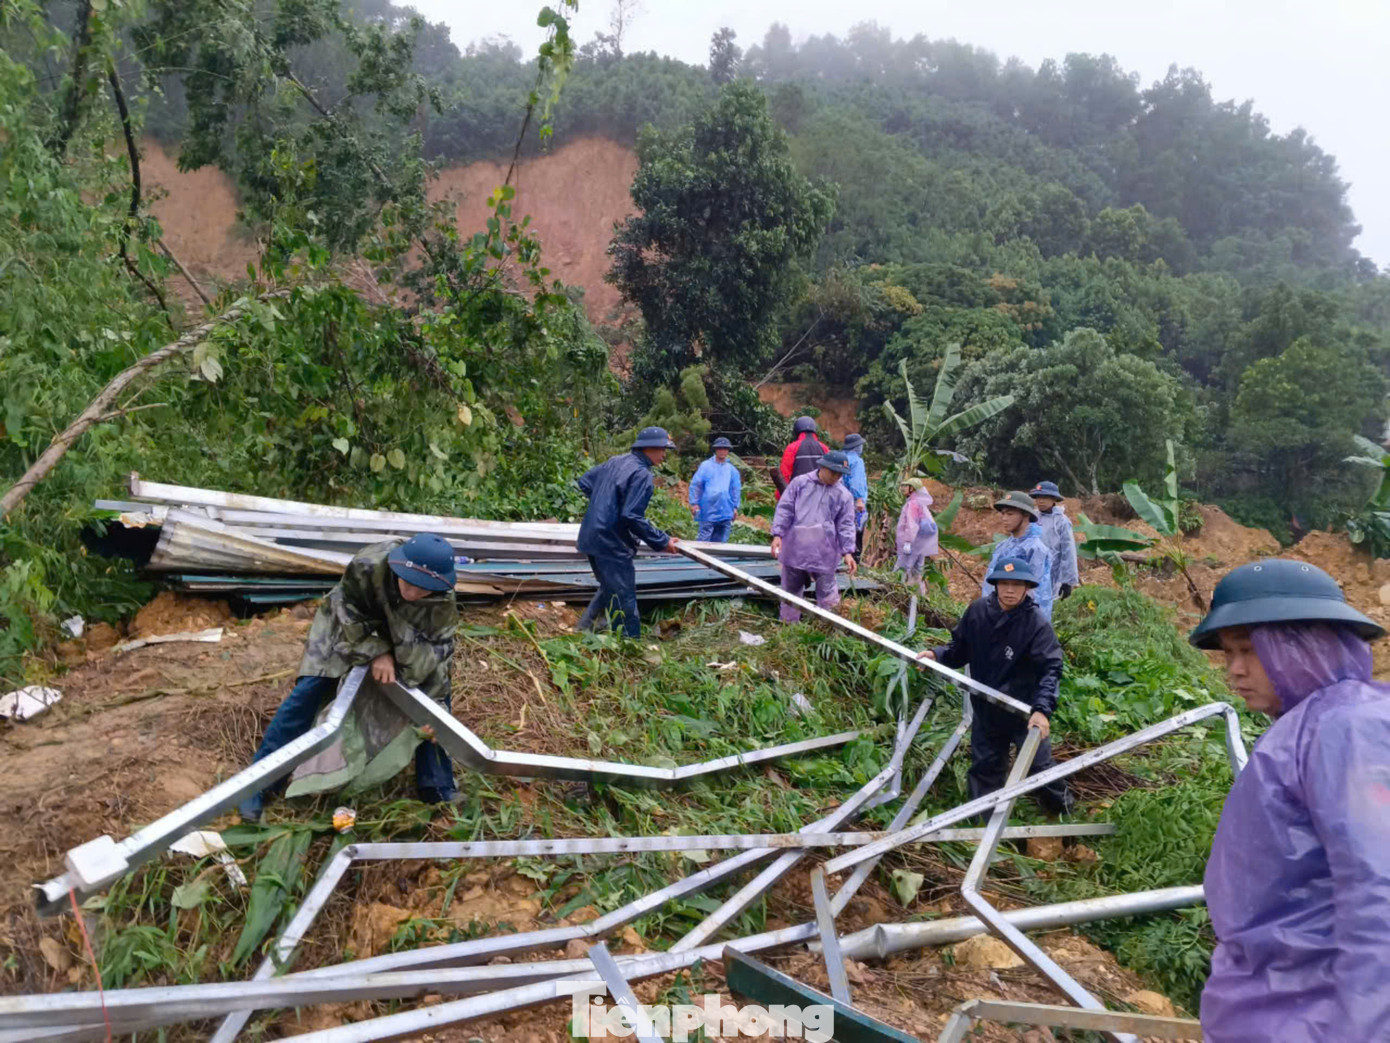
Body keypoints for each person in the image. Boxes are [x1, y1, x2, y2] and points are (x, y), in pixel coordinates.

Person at [1189, 560, 1390, 1042]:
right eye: (1228, 654)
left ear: (1302, 645)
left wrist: (1365, 1027)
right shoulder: (1308, 723)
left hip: (1317, 1013)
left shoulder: (1345, 727)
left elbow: (1377, 886)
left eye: (1250, 651)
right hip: (1281, 1005)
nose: (1234, 669)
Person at [237, 533, 459, 821]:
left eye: (424, 590)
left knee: (435, 707)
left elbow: (436, 655)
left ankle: (437, 786)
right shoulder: (369, 564)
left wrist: (432, 706)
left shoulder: (442, 602)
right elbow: (346, 611)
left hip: (405, 640)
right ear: (398, 567)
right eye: (409, 583)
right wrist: (375, 651)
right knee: (310, 691)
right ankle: (259, 783)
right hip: (349, 629)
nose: (414, 593)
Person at [918, 557, 1073, 815]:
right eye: (1004, 584)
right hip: (987, 707)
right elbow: (959, 651)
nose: (1009, 590)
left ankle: (1064, 812)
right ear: (995, 585)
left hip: (1023, 711)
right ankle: (981, 822)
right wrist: (936, 655)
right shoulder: (978, 612)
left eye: (1016, 584)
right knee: (984, 767)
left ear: (1027, 588)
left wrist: (1042, 710)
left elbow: (1051, 668)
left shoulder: (1036, 624)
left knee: (1038, 767)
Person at [576, 426, 680, 637]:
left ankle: (584, 629)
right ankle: (629, 645)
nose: (664, 455)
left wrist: (603, 505)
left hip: (591, 537)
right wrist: (662, 541)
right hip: (611, 543)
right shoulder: (642, 474)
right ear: (648, 448)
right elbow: (631, 516)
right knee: (624, 597)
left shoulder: (616, 461)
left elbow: (585, 482)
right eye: (662, 449)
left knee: (609, 586)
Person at [770, 450, 858, 623]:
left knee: (827, 593)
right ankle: (789, 627)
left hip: (824, 552)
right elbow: (785, 508)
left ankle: (828, 627)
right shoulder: (800, 484)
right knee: (791, 591)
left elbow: (846, 524)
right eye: (833, 472)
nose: (836, 477)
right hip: (796, 547)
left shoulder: (843, 495)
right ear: (822, 467)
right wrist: (778, 534)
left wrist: (848, 551)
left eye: (840, 474)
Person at [983, 491, 1055, 621]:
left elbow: (1036, 592)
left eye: (1010, 514)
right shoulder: (1002, 547)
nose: (1004, 518)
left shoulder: (1036, 549)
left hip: (1022, 619)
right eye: (1003, 514)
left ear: (1026, 515)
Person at [1030, 480, 1078, 602]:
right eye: (1038, 497)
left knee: (1049, 603)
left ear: (1054, 499)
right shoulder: (1032, 518)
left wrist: (1067, 581)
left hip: (1053, 572)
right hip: (1033, 571)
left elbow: (1068, 551)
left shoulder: (1061, 521)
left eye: (1044, 497)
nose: (1040, 501)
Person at [688, 437, 742, 543]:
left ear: (728, 451)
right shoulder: (706, 466)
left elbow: (735, 489)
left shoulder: (731, 470)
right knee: (704, 539)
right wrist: (694, 503)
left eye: (725, 449)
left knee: (721, 542)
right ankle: (699, 558)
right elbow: (697, 485)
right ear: (715, 450)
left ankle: (716, 559)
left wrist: (735, 507)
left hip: (726, 509)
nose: (722, 451)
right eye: (720, 448)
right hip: (707, 509)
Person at [895, 478, 938, 581]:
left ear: (912, 489)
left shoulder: (912, 504)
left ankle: (897, 592)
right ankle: (917, 594)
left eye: (906, 486)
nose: (903, 488)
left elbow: (911, 525)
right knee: (917, 571)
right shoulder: (920, 503)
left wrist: (907, 542)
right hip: (919, 544)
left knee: (902, 570)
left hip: (911, 545)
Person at [776, 416, 828, 499]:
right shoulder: (824, 448)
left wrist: (780, 496)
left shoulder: (792, 448)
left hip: (799, 496)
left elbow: (784, 474)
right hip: (821, 496)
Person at [842, 433, 869, 559]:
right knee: (855, 534)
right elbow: (856, 482)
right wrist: (859, 500)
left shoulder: (841, 457)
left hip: (839, 501)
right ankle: (853, 562)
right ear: (856, 447)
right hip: (852, 503)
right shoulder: (856, 461)